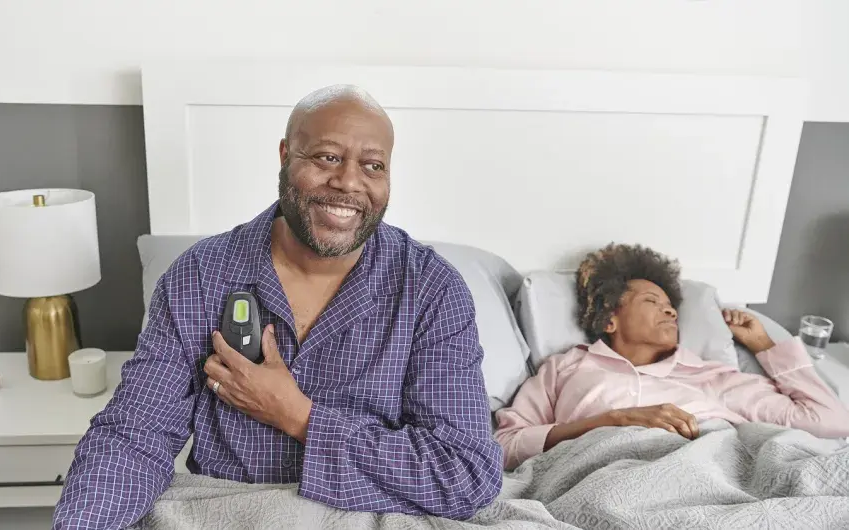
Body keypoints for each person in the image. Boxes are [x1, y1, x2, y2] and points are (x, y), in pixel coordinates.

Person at [52, 85, 503, 529]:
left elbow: (464, 475)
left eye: (373, 165)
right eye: (327, 156)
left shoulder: (431, 290)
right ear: (286, 155)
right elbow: (134, 437)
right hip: (230, 511)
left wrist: (300, 416)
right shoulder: (200, 277)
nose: (349, 181)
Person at [494, 243, 849, 471]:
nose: (670, 313)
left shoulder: (713, 377)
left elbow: (829, 421)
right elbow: (505, 445)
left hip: (709, 473)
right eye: (652, 302)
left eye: (671, 307)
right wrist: (612, 420)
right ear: (609, 319)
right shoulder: (566, 368)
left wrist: (764, 346)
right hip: (590, 477)